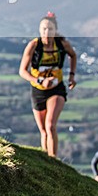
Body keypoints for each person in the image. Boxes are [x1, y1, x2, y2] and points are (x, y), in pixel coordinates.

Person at [18, 11, 77, 158]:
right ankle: (46, 161)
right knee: (43, 130)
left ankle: (53, 159)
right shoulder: (33, 45)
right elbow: (22, 71)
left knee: (50, 126)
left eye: (50, 29)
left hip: (57, 89)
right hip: (38, 90)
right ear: (39, 30)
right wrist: (39, 80)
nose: (46, 32)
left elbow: (73, 55)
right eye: (43, 29)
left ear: (55, 30)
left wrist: (71, 76)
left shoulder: (62, 44)